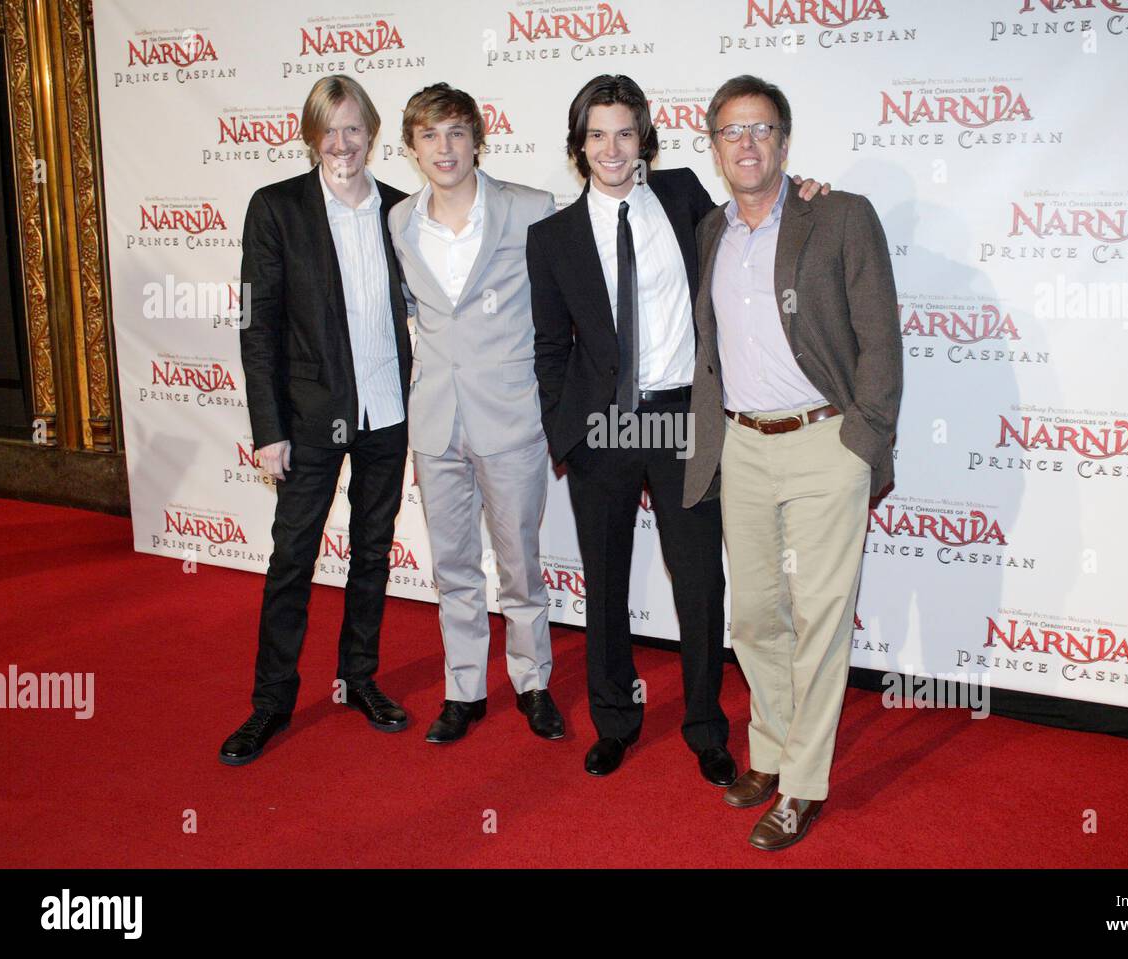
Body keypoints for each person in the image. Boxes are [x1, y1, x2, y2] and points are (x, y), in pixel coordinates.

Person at [528, 74, 824, 783]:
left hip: (681, 417)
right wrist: (563, 431)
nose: (611, 147)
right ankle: (615, 721)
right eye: (597, 134)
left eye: (625, 132)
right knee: (604, 583)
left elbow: (759, 214)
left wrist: (805, 198)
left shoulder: (687, 195)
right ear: (579, 145)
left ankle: (706, 728)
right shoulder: (553, 237)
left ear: (645, 140)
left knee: (699, 583)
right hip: (602, 427)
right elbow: (548, 346)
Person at [682, 75, 902, 849]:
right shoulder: (711, 230)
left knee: (820, 618)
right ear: (712, 147)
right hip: (741, 445)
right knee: (754, 615)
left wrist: (865, 438)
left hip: (824, 442)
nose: (747, 144)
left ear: (784, 141)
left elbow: (881, 337)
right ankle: (770, 753)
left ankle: (804, 783)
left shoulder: (839, 215)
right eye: (732, 131)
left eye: (762, 129)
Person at [220, 75, 412, 765]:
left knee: (372, 549)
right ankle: (271, 700)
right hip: (308, 415)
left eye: (354, 127)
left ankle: (359, 678)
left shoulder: (399, 209)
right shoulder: (276, 209)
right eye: (329, 129)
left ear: (372, 132)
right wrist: (268, 427)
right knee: (292, 557)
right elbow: (257, 324)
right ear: (310, 137)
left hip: (387, 410)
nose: (343, 142)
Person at [387, 83, 563, 744]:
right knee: (454, 566)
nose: (445, 147)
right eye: (430, 135)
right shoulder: (401, 221)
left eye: (457, 132)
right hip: (435, 420)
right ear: (411, 148)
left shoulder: (531, 209)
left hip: (511, 418)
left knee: (519, 564)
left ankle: (533, 681)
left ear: (478, 140)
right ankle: (464, 687)